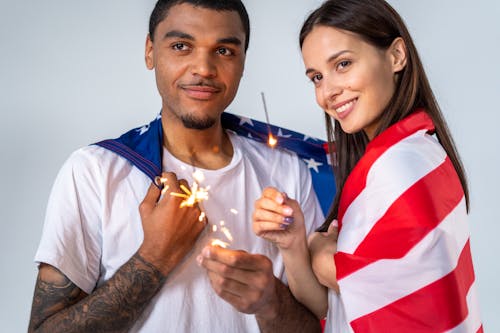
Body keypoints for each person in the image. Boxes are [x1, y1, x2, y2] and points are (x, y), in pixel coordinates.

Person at [28, 1, 325, 332]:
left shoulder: (286, 172)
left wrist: (271, 301)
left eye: (224, 50)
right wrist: (154, 258)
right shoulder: (95, 172)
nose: (204, 68)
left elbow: (323, 322)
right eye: (181, 46)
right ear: (150, 52)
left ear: (243, 62)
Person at [253, 0, 482, 332]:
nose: (328, 91)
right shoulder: (389, 159)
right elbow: (336, 305)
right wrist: (294, 243)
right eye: (316, 77)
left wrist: (321, 255)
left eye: (343, 64)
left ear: (396, 56)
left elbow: (392, 297)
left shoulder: (403, 164)